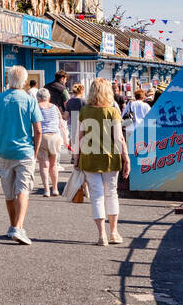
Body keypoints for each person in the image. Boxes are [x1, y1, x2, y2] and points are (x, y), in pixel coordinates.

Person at [0, 66, 42, 244]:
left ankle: (12, 226)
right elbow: (38, 129)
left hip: (4, 151)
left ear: (8, 79)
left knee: (9, 192)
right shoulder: (30, 100)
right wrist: (36, 150)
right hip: (25, 151)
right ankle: (18, 228)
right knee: (23, 189)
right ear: (24, 81)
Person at [77, 78, 130, 246]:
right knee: (111, 194)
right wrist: (126, 158)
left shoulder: (84, 111)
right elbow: (119, 138)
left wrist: (76, 159)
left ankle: (102, 235)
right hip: (110, 158)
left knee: (97, 196)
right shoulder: (113, 111)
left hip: (90, 158)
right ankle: (114, 232)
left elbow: (79, 137)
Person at [34, 87, 68, 196]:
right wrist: (66, 140)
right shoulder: (55, 107)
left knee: (44, 165)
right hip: (55, 136)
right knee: (53, 165)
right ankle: (55, 188)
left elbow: (33, 124)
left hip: (43, 136)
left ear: (38, 98)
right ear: (48, 97)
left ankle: (46, 190)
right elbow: (61, 124)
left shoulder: (36, 107)